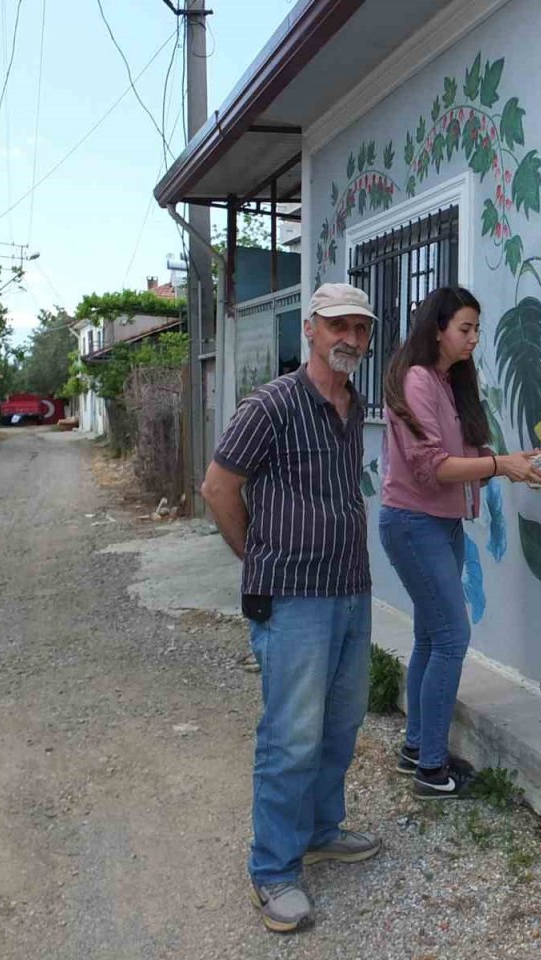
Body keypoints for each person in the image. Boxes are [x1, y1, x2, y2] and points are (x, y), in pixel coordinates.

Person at [201, 282, 382, 933]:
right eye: (339, 326)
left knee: (340, 722)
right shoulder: (271, 404)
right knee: (291, 734)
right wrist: (254, 556)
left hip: (350, 590)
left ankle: (320, 829)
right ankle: (273, 869)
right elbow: (219, 487)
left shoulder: (353, 403)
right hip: (294, 598)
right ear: (310, 328)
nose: (352, 339)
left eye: (361, 329)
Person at [379, 286, 541, 799]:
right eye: (465, 329)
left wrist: (516, 463)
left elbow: (466, 452)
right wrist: (501, 465)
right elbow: (435, 468)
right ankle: (432, 770)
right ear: (437, 329)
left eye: (477, 329)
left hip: (441, 523)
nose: (475, 339)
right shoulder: (417, 381)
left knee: (433, 638)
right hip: (413, 523)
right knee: (452, 637)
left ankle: (418, 749)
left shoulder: (449, 382)